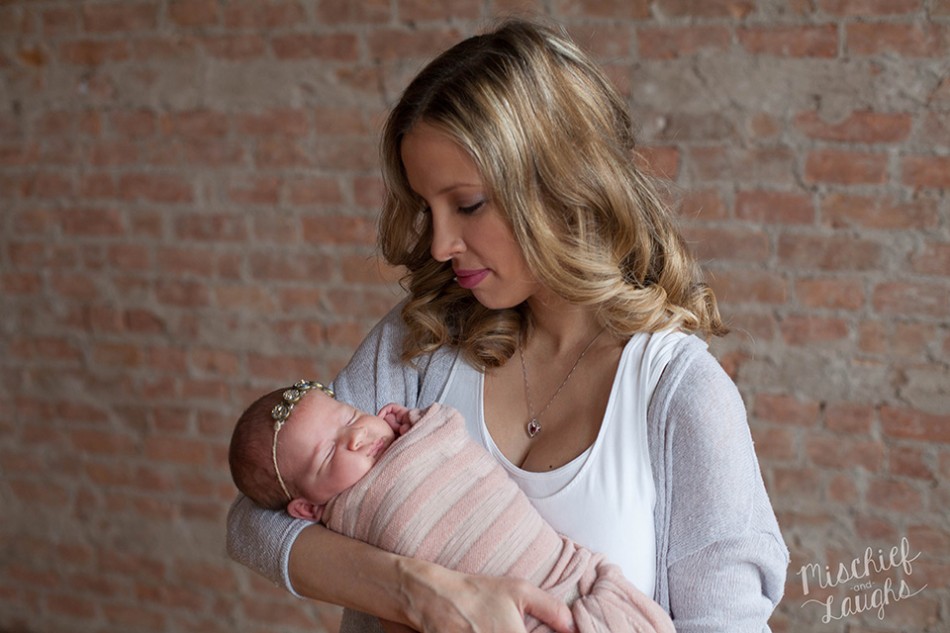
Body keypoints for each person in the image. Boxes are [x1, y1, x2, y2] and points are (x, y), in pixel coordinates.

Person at [227, 17, 789, 633]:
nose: (440, 244)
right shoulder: (422, 345)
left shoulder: (677, 395)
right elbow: (256, 520)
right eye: (427, 208)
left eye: (467, 204)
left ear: (558, 185)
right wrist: (418, 593)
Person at [228, 380, 675, 633]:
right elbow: (248, 527)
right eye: (328, 454)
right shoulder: (343, 516)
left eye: (349, 417)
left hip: (576, 582)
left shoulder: (667, 378)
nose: (357, 436)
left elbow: (446, 434)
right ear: (308, 510)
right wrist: (412, 591)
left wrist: (417, 427)